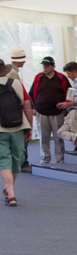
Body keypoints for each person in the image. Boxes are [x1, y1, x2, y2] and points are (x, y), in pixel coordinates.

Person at [0, 59, 32, 206]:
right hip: (18, 126)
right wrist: (29, 126)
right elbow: (27, 106)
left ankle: (10, 193)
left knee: (3, 159)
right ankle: (10, 191)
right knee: (16, 159)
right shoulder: (17, 83)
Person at [29, 56, 70, 164]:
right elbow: (31, 94)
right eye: (43, 66)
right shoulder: (38, 78)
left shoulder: (61, 78)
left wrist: (67, 106)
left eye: (47, 66)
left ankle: (60, 159)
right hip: (41, 112)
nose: (45, 68)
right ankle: (45, 159)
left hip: (57, 113)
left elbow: (70, 92)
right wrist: (33, 108)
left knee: (58, 137)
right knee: (44, 138)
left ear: (53, 66)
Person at [8, 49, 34, 172]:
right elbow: (20, 95)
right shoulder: (13, 73)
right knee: (21, 139)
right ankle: (23, 164)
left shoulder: (11, 71)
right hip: (17, 112)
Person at [57, 61, 77, 150]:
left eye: (68, 73)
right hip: (73, 112)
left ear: (74, 72)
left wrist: (67, 105)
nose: (68, 76)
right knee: (60, 132)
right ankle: (76, 137)